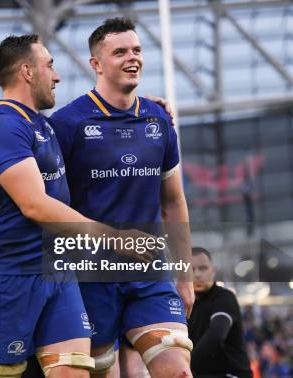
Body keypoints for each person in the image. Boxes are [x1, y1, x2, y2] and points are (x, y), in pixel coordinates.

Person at [0, 33, 157, 378]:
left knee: (76, 371)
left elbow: (97, 118)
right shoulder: (4, 128)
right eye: (50, 65)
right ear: (27, 72)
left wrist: (144, 107)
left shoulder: (42, 125)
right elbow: (36, 206)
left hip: (58, 276)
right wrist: (114, 238)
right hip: (8, 280)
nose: (56, 76)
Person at [45, 17, 194, 377]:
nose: (133, 58)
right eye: (120, 52)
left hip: (149, 271)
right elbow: (42, 199)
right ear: (96, 64)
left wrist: (185, 275)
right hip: (89, 275)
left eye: (137, 50)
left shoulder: (158, 119)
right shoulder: (67, 124)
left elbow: (173, 201)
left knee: (177, 369)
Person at [189, 247, 252, 378]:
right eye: (192, 269)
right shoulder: (185, 304)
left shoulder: (224, 297)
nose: (197, 274)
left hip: (231, 374)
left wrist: (185, 364)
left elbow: (216, 335)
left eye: (203, 268)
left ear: (213, 271)